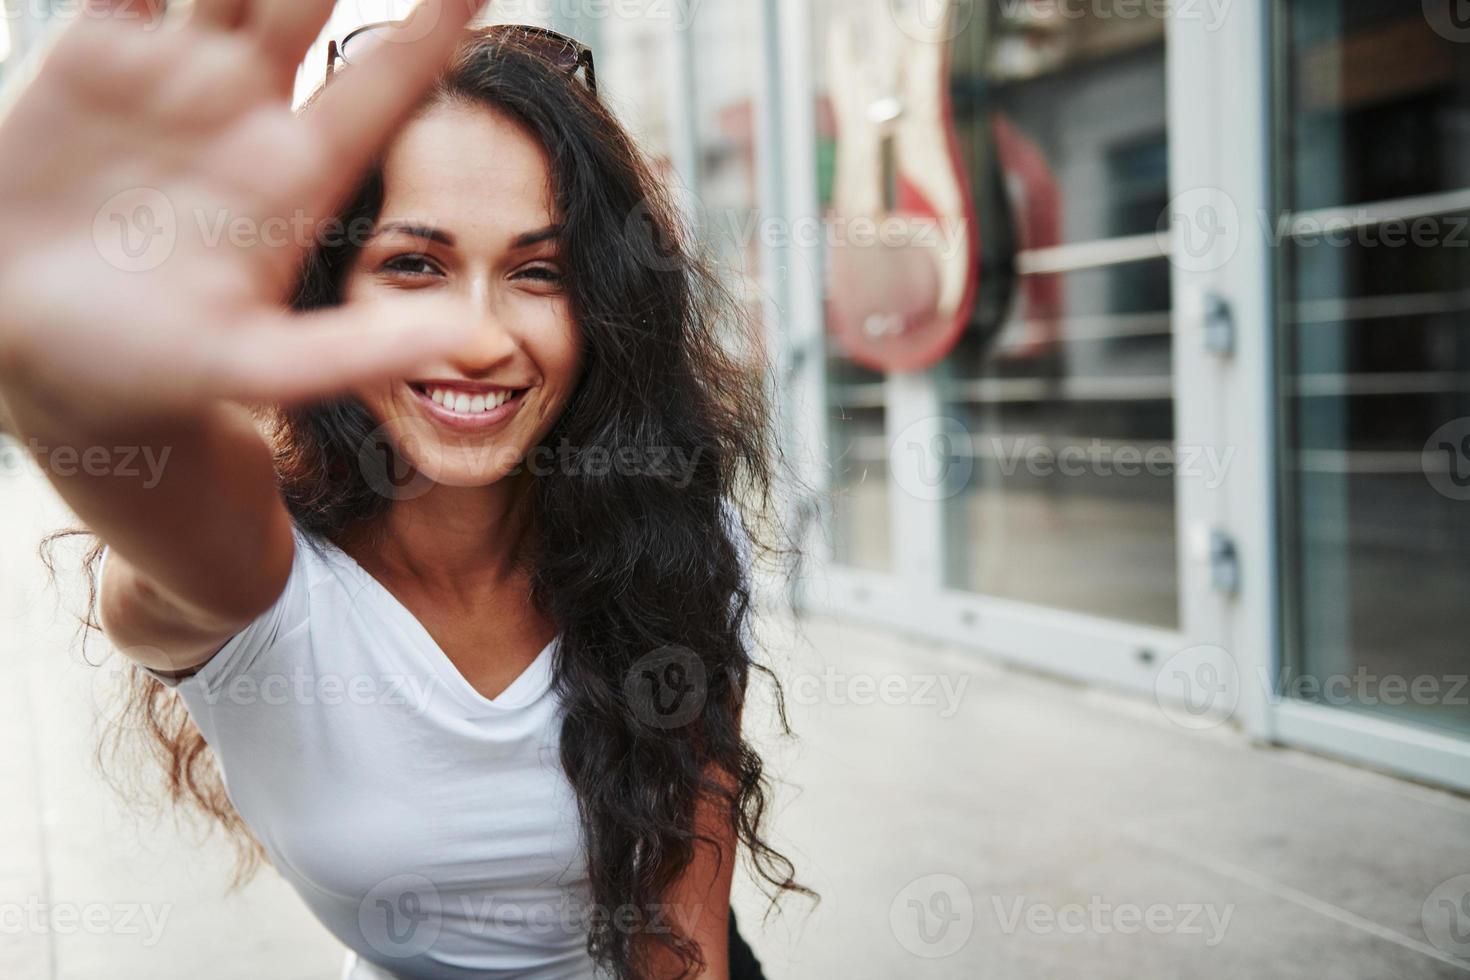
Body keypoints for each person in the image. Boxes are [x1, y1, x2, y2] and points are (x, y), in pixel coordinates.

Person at [0, 0, 813, 977]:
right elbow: (149, 464)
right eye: (414, 263)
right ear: (325, 286)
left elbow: (682, 933)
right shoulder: (254, 580)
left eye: (540, 270)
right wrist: (52, 361)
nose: (479, 337)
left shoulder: (673, 523)